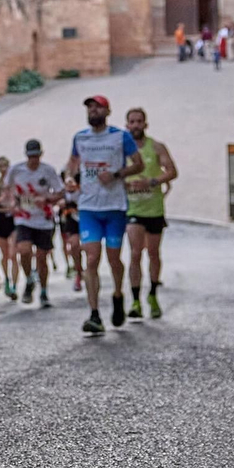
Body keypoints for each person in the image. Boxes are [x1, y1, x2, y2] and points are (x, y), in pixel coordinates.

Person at [68, 94, 144, 334]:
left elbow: (138, 164)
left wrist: (117, 174)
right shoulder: (80, 138)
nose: (93, 111)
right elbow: (71, 164)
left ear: (107, 111)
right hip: (89, 207)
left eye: (97, 108)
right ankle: (94, 314)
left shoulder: (121, 137)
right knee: (91, 259)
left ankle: (119, 294)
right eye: (89, 108)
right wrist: (70, 179)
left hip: (114, 207)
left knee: (113, 258)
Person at [124, 107, 178, 320]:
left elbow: (173, 171)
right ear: (127, 125)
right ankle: (136, 300)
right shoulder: (121, 150)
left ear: (146, 124)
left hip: (154, 208)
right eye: (132, 121)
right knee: (135, 252)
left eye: (139, 121)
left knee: (153, 253)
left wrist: (151, 181)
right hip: (133, 209)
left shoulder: (156, 147)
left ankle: (153, 294)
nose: (136, 125)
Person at [4, 139, 62, 308]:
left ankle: (43, 291)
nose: (33, 160)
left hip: (43, 219)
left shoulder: (48, 171)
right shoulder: (17, 170)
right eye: (31, 157)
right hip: (24, 217)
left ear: (41, 155)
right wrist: (12, 204)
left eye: (36, 156)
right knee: (23, 250)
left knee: (42, 258)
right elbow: (7, 189)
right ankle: (29, 278)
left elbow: (60, 192)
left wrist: (46, 199)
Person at [0, 156, 18, 299]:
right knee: (5, 254)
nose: (4, 169)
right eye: (1, 166)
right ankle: (6, 279)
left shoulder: (14, 182)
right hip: (0, 218)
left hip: (12, 218)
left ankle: (15, 286)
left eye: (5, 165)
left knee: (13, 254)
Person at [58, 169, 83, 290]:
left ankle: (89, 271)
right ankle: (78, 271)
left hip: (86, 218)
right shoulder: (63, 191)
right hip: (71, 221)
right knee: (73, 245)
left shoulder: (83, 186)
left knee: (90, 247)